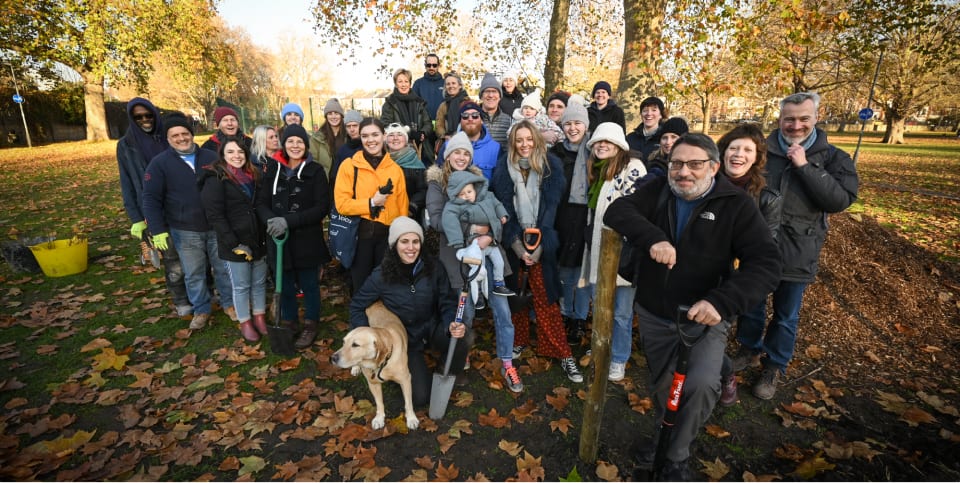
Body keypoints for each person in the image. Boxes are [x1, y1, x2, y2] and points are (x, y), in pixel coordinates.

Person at [604, 133, 781, 480]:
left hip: (705, 316)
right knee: (664, 385)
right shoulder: (657, 191)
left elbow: (766, 263)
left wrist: (721, 301)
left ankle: (675, 457)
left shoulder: (736, 204)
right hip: (656, 310)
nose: (684, 171)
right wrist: (653, 237)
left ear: (714, 167)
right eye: (677, 163)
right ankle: (664, 435)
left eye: (695, 164)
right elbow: (618, 210)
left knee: (699, 384)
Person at [732, 92, 858, 400]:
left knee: (786, 315)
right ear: (780, 119)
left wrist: (805, 166)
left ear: (816, 117)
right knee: (751, 305)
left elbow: (840, 200)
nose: (796, 125)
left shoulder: (833, 157)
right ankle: (749, 350)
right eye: (789, 119)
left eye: (804, 118)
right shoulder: (761, 152)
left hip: (800, 247)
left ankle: (774, 365)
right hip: (757, 246)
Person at [426, 131, 522, 392]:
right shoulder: (437, 183)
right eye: (456, 151)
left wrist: (488, 234)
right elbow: (436, 220)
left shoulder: (479, 180)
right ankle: (461, 354)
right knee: (464, 311)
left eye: (466, 152)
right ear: (447, 155)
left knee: (502, 310)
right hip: (457, 256)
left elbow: (495, 211)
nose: (461, 156)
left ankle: (506, 362)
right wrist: (473, 231)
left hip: (489, 250)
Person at [491, 120, 583, 383]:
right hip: (515, 245)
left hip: (542, 243)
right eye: (519, 140)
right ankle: (518, 341)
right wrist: (519, 247)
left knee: (547, 300)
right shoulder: (502, 171)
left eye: (528, 139)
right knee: (517, 299)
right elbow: (503, 211)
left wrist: (539, 248)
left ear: (537, 140)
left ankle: (562, 352)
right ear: (512, 143)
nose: (524, 145)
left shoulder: (550, 169)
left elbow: (551, 212)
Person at [349, 217, 469, 407]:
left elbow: (447, 300)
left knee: (464, 336)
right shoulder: (381, 275)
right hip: (406, 339)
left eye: (415, 241)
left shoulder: (434, 267)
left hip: (432, 326)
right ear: (394, 244)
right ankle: (405, 369)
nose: (411, 248)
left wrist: (450, 323)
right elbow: (356, 305)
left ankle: (445, 368)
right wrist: (366, 333)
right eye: (404, 242)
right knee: (420, 398)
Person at [143, 112, 235, 330]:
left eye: (185, 133)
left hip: (215, 226)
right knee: (193, 272)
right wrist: (157, 229)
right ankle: (201, 309)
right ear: (168, 139)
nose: (181, 138)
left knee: (223, 268)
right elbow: (150, 198)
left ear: (191, 134)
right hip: (185, 228)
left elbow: (227, 188)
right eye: (175, 135)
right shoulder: (159, 164)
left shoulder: (211, 158)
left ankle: (229, 304)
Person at [715, 122, 782, 405]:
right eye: (733, 148)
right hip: (701, 267)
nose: (738, 154)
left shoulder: (767, 198)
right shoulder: (706, 183)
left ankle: (725, 375)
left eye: (746, 150)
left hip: (734, 276)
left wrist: (740, 280)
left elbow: (765, 247)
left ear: (756, 157)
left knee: (715, 335)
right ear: (723, 152)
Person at [578, 123, 647, 381]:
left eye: (607, 141)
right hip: (598, 250)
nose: (602, 145)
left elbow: (638, 209)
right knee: (601, 307)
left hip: (623, 254)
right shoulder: (596, 171)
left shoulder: (632, 169)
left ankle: (618, 357)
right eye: (597, 142)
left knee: (621, 311)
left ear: (619, 145)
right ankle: (600, 348)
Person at [255, 124, 331, 350]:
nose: (295, 146)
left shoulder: (315, 171)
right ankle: (288, 321)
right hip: (279, 240)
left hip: (306, 239)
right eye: (290, 142)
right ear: (284, 145)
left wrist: (288, 221)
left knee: (309, 284)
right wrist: (270, 220)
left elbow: (321, 207)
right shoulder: (272, 170)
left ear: (305, 145)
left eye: (299, 142)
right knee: (284, 283)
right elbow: (260, 202)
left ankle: (310, 323)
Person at [116, 98, 191, 318]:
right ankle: (181, 299)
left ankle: (202, 291)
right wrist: (136, 217)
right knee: (172, 258)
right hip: (152, 208)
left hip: (181, 205)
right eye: (138, 117)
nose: (145, 120)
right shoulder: (126, 144)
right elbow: (127, 182)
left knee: (195, 252)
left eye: (148, 115)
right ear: (132, 118)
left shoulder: (169, 138)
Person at [199, 139, 268, 343]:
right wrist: (233, 243)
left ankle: (259, 316)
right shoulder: (216, 178)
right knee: (241, 285)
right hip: (235, 242)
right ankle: (245, 321)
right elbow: (215, 216)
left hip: (258, 239)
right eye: (231, 152)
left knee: (259, 283)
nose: (236, 155)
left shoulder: (254, 175)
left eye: (240, 151)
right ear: (223, 154)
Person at [334, 118, 409, 292]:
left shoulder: (395, 169)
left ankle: (383, 319)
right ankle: (360, 318)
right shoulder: (349, 166)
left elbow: (402, 207)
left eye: (375, 134)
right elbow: (342, 204)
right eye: (365, 136)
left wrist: (402, 239)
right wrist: (371, 203)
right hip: (360, 237)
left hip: (386, 238)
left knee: (386, 285)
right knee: (362, 287)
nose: (370, 140)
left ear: (384, 136)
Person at [550, 95, 592, 343]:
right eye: (568, 124)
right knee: (565, 271)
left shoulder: (594, 151)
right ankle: (565, 313)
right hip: (561, 217)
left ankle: (580, 318)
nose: (572, 128)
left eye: (577, 123)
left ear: (585, 125)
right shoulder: (555, 152)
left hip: (585, 217)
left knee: (583, 273)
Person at [441, 170, 513, 296]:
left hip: (492, 240)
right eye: (462, 194)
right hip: (474, 242)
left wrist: (502, 214)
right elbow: (449, 221)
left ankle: (499, 283)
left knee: (499, 261)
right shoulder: (455, 206)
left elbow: (497, 205)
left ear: (475, 189)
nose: (467, 196)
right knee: (480, 267)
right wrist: (457, 241)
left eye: (469, 191)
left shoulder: (487, 196)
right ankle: (478, 292)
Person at [436, 100, 501, 181]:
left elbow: (500, 184)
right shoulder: (447, 146)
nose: (470, 119)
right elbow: (437, 180)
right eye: (465, 116)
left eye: (475, 115)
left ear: (481, 120)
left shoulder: (496, 148)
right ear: (460, 121)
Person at [381, 68, 434, 165]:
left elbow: (428, 123)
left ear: (410, 83)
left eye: (406, 81)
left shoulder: (419, 102)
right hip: (398, 149)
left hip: (421, 147)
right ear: (396, 84)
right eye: (400, 81)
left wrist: (422, 133)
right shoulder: (389, 103)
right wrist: (409, 133)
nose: (403, 84)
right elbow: (386, 125)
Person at [384, 123, 428, 222]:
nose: (395, 138)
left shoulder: (415, 162)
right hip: (385, 215)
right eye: (391, 135)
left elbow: (423, 190)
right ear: (386, 140)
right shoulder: (381, 162)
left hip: (409, 217)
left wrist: (411, 208)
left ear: (406, 139)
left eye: (400, 134)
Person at [434, 72, 468, 153]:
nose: (451, 86)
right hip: (447, 142)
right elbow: (438, 125)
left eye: (453, 83)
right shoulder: (443, 105)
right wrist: (445, 136)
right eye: (448, 84)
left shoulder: (468, 102)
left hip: (465, 141)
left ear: (459, 85)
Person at [331, 110, 364, 193]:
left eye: (355, 125)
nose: (352, 129)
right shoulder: (342, 150)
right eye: (348, 126)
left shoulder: (369, 147)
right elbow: (336, 176)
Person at [309, 99, 344, 176]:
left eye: (336, 113)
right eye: (330, 113)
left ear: (341, 115)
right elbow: (313, 160)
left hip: (344, 179)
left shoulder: (347, 136)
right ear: (326, 116)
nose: (333, 116)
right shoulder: (317, 138)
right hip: (325, 180)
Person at [477, 73, 513, 145]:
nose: (490, 95)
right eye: (487, 91)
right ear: (481, 96)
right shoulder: (472, 119)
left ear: (500, 97)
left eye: (494, 91)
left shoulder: (508, 121)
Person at [412, 54, 445, 121]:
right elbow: (413, 106)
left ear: (438, 66)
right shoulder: (418, 84)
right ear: (425, 66)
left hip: (442, 125)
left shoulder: (446, 83)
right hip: (424, 125)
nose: (431, 67)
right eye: (429, 65)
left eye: (434, 65)